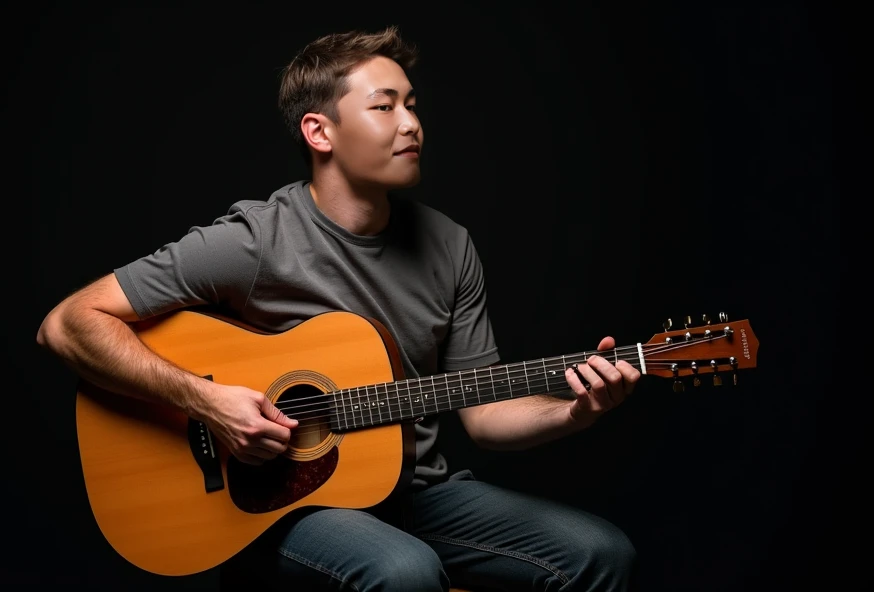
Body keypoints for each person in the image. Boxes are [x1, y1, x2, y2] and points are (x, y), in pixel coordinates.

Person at [37, 25, 641, 592]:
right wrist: (207, 401)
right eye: (385, 107)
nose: (412, 125)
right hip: (274, 507)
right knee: (404, 572)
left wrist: (574, 413)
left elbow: (484, 414)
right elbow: (66, 324)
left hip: (415, 492)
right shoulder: (254, 241)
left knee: (600, 552)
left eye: (413, 104)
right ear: (319, 132)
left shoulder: (450, 245)